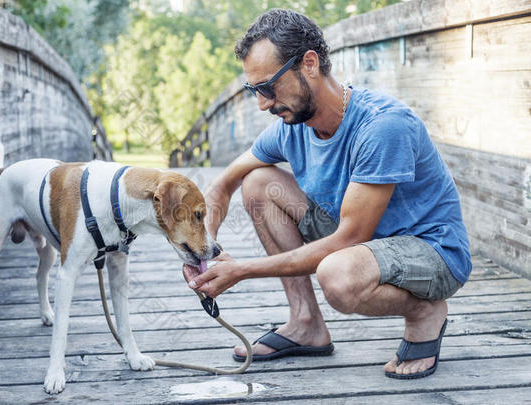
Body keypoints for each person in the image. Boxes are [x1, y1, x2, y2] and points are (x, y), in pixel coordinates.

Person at [183, 8, 471, 379]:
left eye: (268, 87)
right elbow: (224, 184)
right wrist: (204, 248)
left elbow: (349, 239)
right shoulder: (292, 126)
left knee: (337, 274)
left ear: (309, 64)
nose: (262, 103)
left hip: (432, 251)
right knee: (257, 183)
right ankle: (306, 323)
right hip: (363, 243)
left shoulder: (383, 126)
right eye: (253, 90)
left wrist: (243, 270)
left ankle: (425, 312)